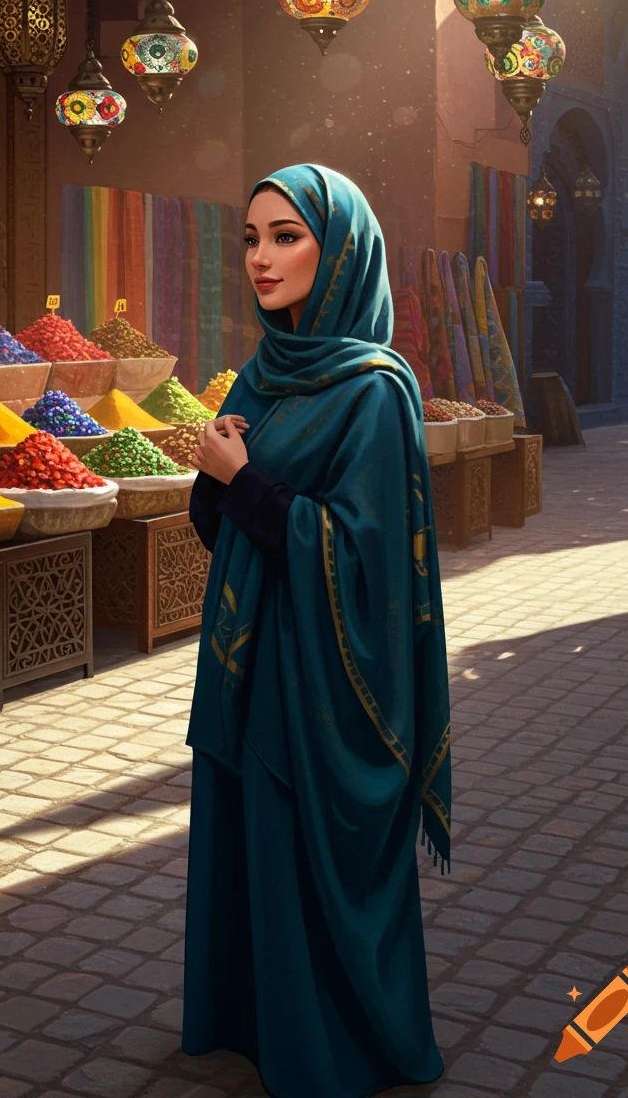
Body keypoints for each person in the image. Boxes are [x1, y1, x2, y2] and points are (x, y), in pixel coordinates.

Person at [181, 163, 452, 1098]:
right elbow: (225, 525)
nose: (261, 257)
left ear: (339, 250)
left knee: (310, 848)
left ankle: (338, 1044)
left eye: (286, 236)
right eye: (252, 237)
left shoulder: (375, 391)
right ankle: (263, 1024)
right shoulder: (266, 369)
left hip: (326, 681)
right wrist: (218, 477)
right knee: (255, 846)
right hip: (254, 660)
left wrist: (244, 480)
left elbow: (364, 556)